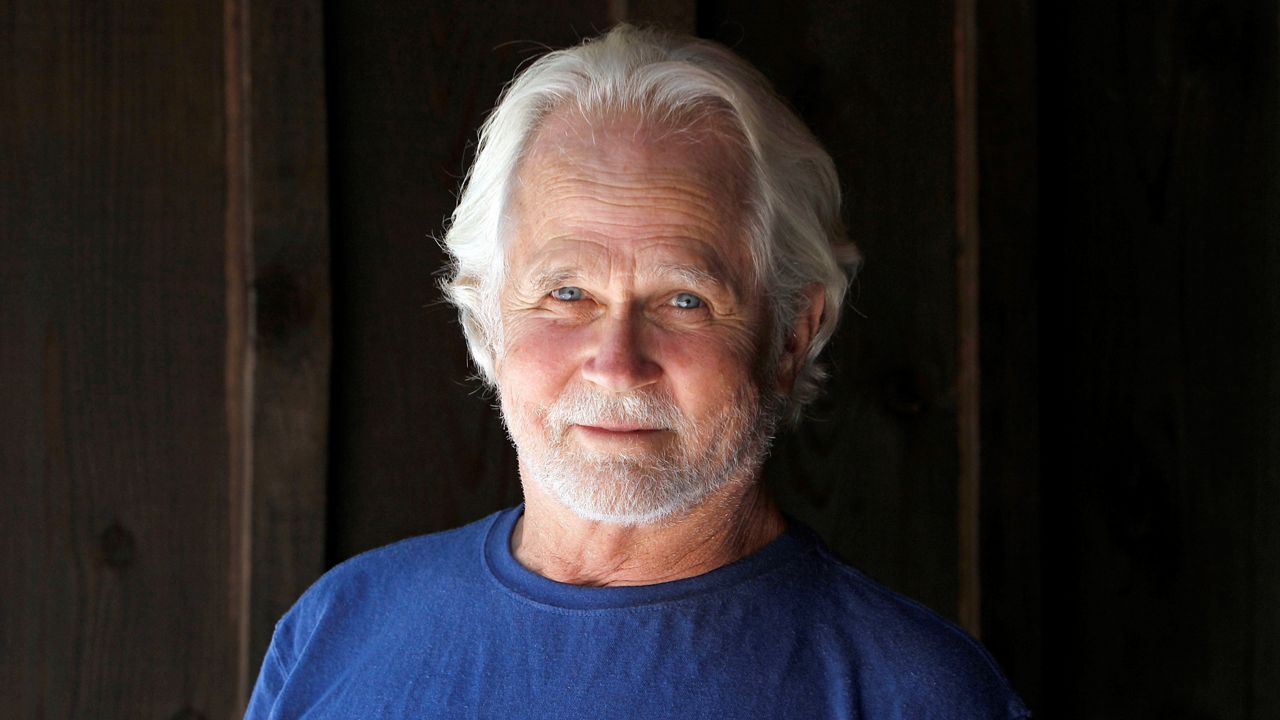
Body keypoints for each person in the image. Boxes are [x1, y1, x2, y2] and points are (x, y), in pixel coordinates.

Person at [245, 25, 1029, 719]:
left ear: (792, 334)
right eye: (567, 292)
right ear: (485, 317)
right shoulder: (338, 629)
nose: (618, 365)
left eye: (684, 299)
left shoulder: (917, 695)